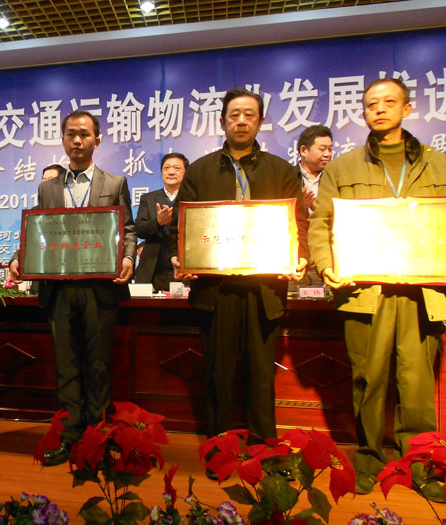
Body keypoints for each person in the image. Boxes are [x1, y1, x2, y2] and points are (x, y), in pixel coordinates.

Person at [309, 77, 446, 494]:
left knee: (417, 382)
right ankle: (368, 457)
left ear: (407, 109)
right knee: (367, 379)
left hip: (423, 291)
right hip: (365, 291)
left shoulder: (439, 165)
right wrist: (326, 265)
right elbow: (321, 224)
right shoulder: (343, 167)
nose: (380, 109)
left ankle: (422, 464)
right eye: (371, 104)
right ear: (364, 112)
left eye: (389, 102)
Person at [169, 89, 308, 453]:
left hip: (265, 288)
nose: (241, 121)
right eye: (234, 115)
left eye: (249, 114)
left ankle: (264, 449)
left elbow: (299, 223)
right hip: (216, 290)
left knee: (261, 373)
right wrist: (180, 257)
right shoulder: (200, 171)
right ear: (222, 121)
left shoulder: (281, 170)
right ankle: (220, 449)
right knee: (219, 372)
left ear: (260, 122)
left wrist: (300, 255)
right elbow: (181, 226)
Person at [9, 110, 137, 465]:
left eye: (84, 134)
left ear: (97, 140)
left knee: (98, 365)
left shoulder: (114, 183)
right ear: (63, 140)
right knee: (66, 366)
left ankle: (99, 438)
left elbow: (127, 228)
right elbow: (40, 230)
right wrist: (20, 257)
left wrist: (128, 257)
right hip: (60, 288)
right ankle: (70, 436)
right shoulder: (48, 187)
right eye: (70, 134)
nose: (77, 140)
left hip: (100, 287)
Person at [135, 152, 189, 292]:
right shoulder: (148, 198)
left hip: (183, 268)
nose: (171, 172)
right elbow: (139, 229)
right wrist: (158, 222)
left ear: (186, 172)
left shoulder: (191, 198)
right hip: (153, 271)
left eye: (177, 168)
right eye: (166, 168)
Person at [295, 125, 333, 287]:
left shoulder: (334, 178)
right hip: (298, 254)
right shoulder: (288, 176)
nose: (328, 154)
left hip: (326, 255)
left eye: (330, 149)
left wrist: (317, 208)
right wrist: (300, 207)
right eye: (322, 149)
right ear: (304, 150)